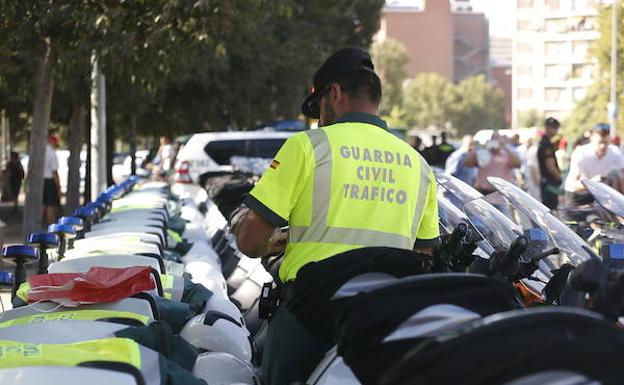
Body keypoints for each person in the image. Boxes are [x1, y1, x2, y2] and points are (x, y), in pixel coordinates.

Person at [231, 47, 440, 385]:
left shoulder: (308, 146)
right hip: (385, 322)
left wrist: (262, 233)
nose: (319, 119)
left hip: (309, 320)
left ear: (336, 93)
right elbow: (424, 255)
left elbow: (251, 241)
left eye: (319, 109)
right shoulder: (418, 164)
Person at [564, 123, 624, 206]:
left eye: (606, 143)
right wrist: (590, 183)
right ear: (591, 139)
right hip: (579, 195)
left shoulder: (615, 152)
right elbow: (572, 185)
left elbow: (622, 176)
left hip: (599, 195)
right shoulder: (581, 153)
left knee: (616, 175)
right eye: (599, 142)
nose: (603, 146)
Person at [537, 117, 562, 210]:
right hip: (550, 183)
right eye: (553, 127)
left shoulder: (545, 142)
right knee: (551, 210)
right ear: (547, 127)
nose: (554, 130)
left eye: (555, 127)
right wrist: (559, 177)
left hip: (547, 182)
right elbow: (550, 166)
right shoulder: (546, 144)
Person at [43, 133, 61, 225]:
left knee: (43, 204)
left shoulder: (41, 151)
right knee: (51, 205)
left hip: (41, 181)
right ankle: (51, 225)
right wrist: (58, 187)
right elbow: (54, 172)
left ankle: (42, 222)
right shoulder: (52, 154)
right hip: (49, 181)